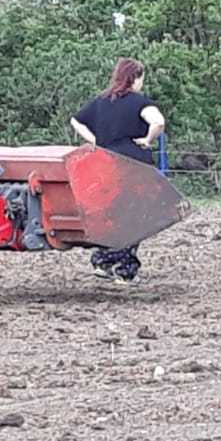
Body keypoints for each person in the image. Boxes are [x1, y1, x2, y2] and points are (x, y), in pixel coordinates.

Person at [71, 57, 167, 282]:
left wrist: (95, 141)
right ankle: (123, 269)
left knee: (111, 215)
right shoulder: (140, 102)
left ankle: (104, 261)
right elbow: (159, 122)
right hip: (133, 165)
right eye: (142, 79)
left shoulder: (101, 101)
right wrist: (147, 140)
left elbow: (76, 121)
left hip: (105, 163)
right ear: (135, 78)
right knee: (137, 217)